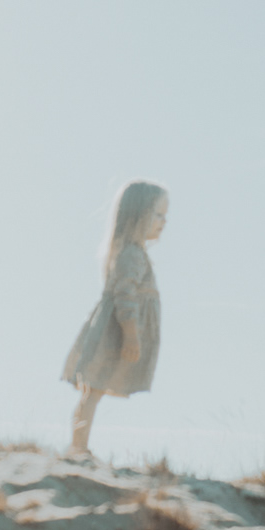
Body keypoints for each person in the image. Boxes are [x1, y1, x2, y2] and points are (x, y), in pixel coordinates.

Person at [61, 180, 168, 457]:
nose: (164, 222)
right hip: (114, 333)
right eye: (158, 214)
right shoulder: (131, 254)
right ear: (138, 215)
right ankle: (78, 447)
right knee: (93, 389)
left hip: (114, 330)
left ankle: (78, 446)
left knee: (93, 390)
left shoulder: (134, 253)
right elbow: (124, 295)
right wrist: (131, 335)